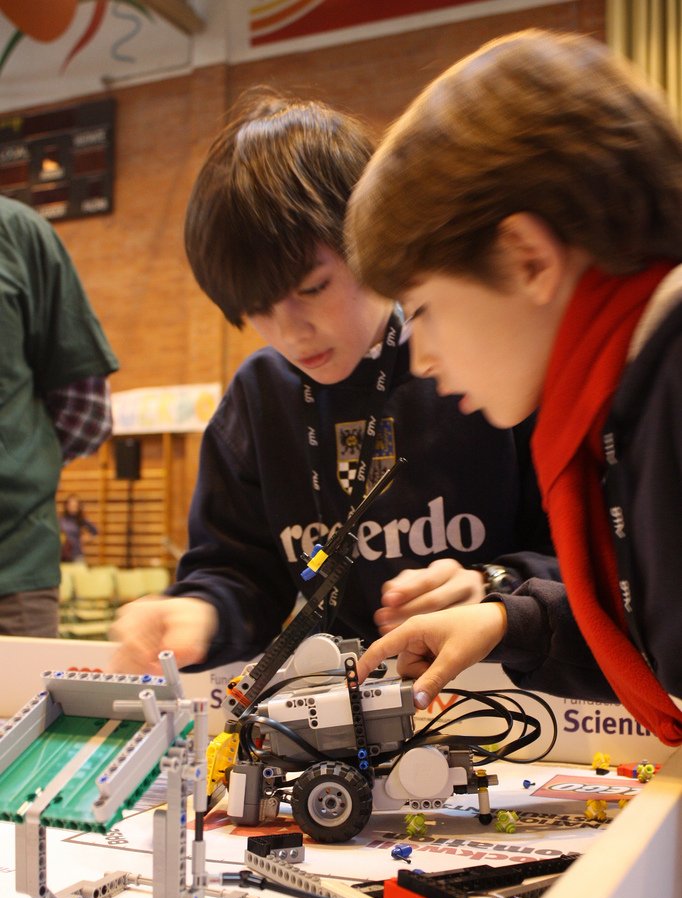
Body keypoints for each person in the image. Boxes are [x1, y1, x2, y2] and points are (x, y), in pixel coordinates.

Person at [109, 89, 557, 676]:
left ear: (370, 238)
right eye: (257, 310)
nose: (291, 332)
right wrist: (200, 610)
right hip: (355, 698)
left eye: (313, 288)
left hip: (524, 689)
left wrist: (493, 585)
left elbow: (585, 555)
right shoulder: (257, 397)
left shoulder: (480, 360)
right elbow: (238, 572)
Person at [344, 29, 682, 745]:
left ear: (528, 259)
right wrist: (509, 620)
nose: (424, 360)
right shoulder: (631, 390)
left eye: (426, 312)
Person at [0, 195, 118, 637]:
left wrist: (20, 460)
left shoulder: (16, 233)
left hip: (11, 577)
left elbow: (86, 411)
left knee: (18, 708)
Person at [60, 493, 98, 563]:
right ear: (66, 506)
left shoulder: (81, 520)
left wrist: (88, 539)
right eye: (71, 505)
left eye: (75, 506)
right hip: (64, 555)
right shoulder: (62, 520)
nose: (73, 507)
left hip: (77, 555)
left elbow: (95, 531)